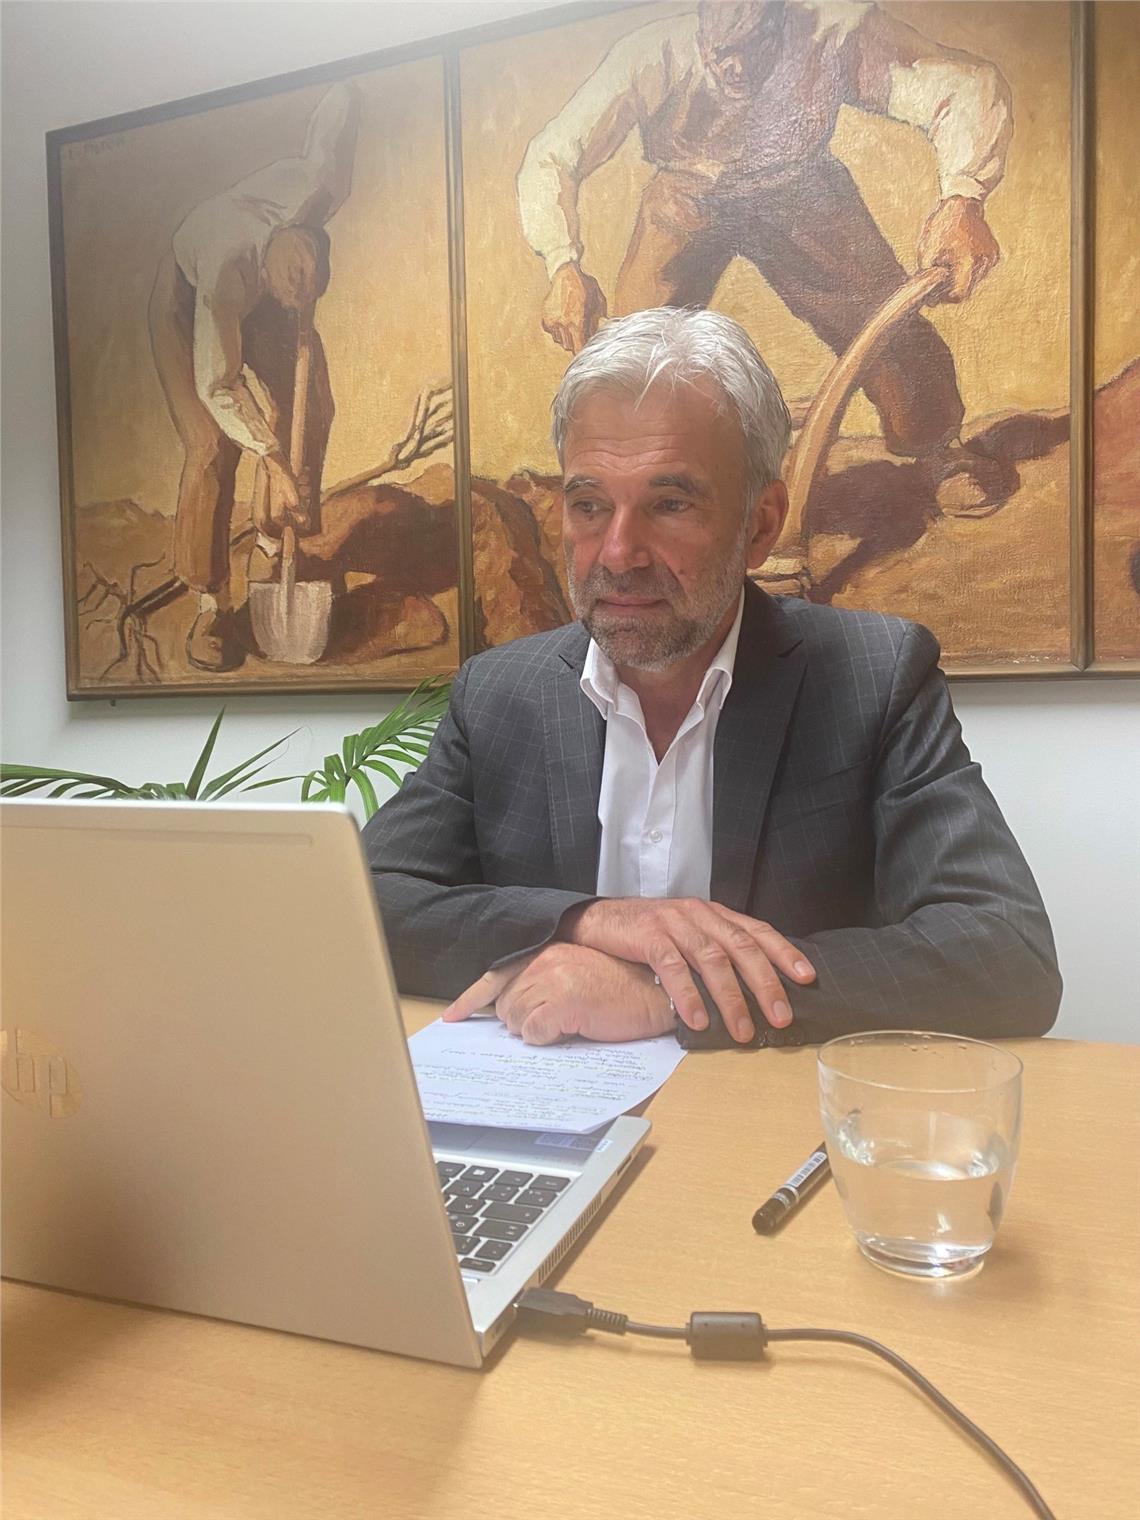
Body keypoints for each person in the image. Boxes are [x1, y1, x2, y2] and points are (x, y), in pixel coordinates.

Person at [363, 307, 1060, 1047]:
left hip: (762, 1107)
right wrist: (587, 922)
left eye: (670, 504)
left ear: (760, 525)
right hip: (544, 1098)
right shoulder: (499, 694)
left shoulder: (873, 679)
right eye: (589, 505)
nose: (618, 552)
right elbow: (367, 902)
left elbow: (1004, 954)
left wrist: (668, 991)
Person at [516, 0, 1016, 573]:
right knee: (635, 359)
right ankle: (643, 497)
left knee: (883, 321)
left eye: (752, 50)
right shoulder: (651, 55)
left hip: (800, 187)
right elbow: (553, 153)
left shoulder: (833, 33)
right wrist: (563, 265)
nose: (734, 69)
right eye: (720, 55)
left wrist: (963, 198)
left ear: (783, 23)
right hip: (686, 197)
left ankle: (938, 450)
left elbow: (962, 86)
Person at [147, 83, 358, 670]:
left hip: (266, 291)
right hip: (184, 304)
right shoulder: (226, 270)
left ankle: (272, 546)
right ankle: (209, 601)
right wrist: (271, 459)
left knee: (312, 406)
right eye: (294, 292)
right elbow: (218, 383)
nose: (299, 303)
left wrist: (348, 85)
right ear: (269, 263)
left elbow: (336, 120)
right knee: (211, 445)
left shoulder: (318, 191)